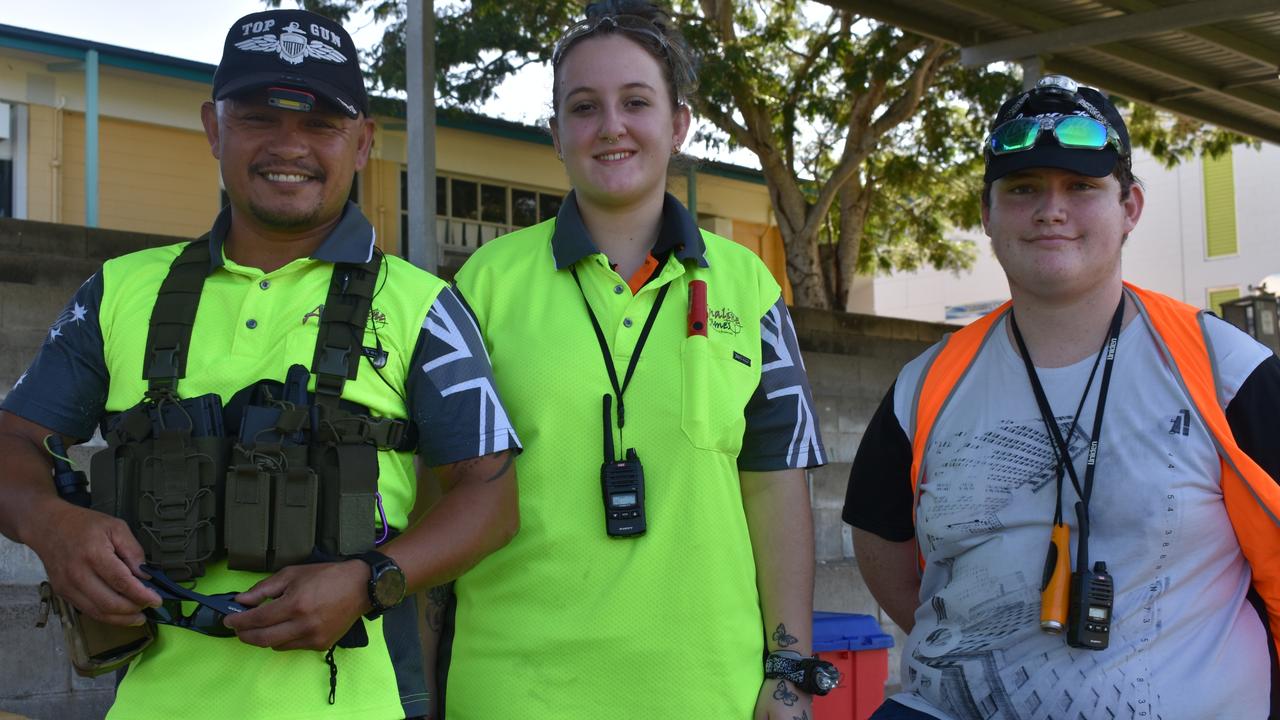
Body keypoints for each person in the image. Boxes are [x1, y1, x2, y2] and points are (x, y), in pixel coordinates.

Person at [0, 9, 520, 719]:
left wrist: (370, 581)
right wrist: (50, 524)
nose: (288, 147)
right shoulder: (122, 290)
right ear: (214, 128)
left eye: (320, 125)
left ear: (363, 142)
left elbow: (491, 500)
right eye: (257, 119)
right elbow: (14, 440)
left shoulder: (423, 306)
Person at [844, 74, 1280, 720]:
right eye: (1023, 189)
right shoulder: (925, 385)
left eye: (1081, 187)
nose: (1052, 210)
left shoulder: (1228, 372)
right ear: (986, 214)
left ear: (1129, 206)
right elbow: (879, 543)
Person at [441, 2, 829, 718]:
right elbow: (443, 497)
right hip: (516, 691)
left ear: (679, 125)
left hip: (710, 690)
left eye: (636, 102)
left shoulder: (751, 287)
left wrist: (789, 672)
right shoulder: (481, 287)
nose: (611, 126)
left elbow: (776, 489)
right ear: (557, 134)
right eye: (583, 107)